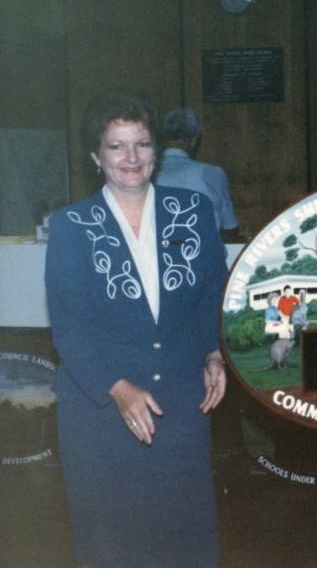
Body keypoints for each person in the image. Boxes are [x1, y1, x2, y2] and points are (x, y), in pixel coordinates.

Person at [45, 90, 229, 568]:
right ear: (96, 156)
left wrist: (214, 351)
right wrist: (118, 388)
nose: (131, 157)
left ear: (156, 151)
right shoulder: (71, 225)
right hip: (100, 411)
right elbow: (69, 326)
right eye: (117, 146)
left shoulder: (193, 210)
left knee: (184, 537)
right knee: (112, 542)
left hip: (181, 404)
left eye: (142, 144)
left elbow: (213, 291)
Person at [154, 107, 239, 239]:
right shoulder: (212, 173)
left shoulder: (146, 173)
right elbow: (230, 227)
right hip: (202, 249)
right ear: (194, 140)